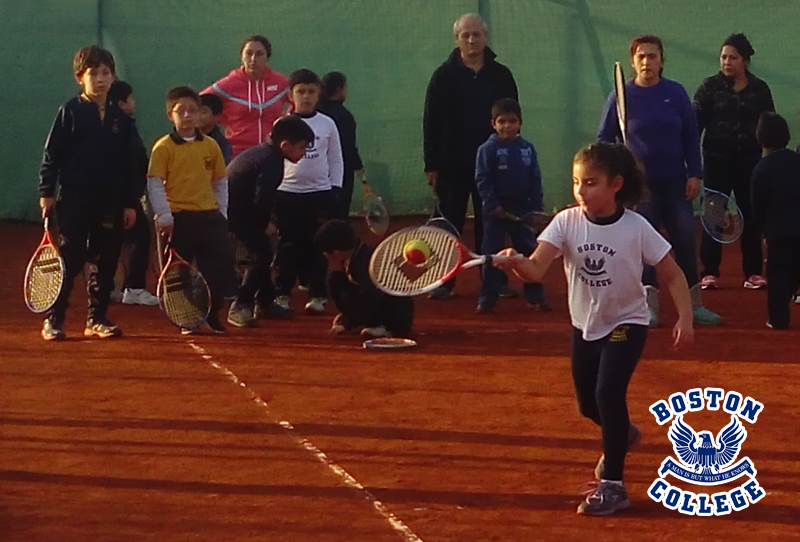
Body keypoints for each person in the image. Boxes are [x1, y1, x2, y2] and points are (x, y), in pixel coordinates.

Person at [493, 142, 694, 516]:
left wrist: (685, 316)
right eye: (575, 182)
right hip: (585, 325)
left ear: (616, 184)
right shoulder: (566, 222)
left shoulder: (637, 227)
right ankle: (623, 433)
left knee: (607, 393)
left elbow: (672, 272)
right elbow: (536, 269)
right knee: (588, 404)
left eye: (590, 183)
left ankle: (614, 485)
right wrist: (515, 264)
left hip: (628, 322)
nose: (580, 192)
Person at [598, 34, 721, 327]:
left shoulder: (676, 93)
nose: (646, 61)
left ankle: (694, 306)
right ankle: (648, 308)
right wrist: (623, 161)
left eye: (652, 56)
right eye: (641, 56)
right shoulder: (621, 96)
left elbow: (691, 136)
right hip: (640, 191)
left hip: (676, 184)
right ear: (633, 61)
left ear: (661, 61)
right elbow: (604, 140)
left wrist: (694, 174)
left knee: (684, 243)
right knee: (643, 247)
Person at [38, 46, 139, 341]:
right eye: (93, 74)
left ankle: (97, 318)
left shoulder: (121, 119)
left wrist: (130, 202)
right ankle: (54, 319)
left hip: (111, 201)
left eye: (106, 73)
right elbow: (52, 155)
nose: (101, 79)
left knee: (106, 259)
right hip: (75, 199)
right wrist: (46, 191)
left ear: (113, 77)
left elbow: (129, 164)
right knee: (70, 257)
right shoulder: (70, 111)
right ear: (80, 78)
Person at [423, 13, 518, 300]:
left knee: (491, 223)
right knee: (449, 225)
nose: (471, 39)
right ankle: (443, 281)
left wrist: (509, 156)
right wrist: (432, 164)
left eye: (476, 34)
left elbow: (513, 118)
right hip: (452, 165)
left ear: (485, 37)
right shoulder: (442, 76)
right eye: (465, 35)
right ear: (457, 39)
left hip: (492, 165)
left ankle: (494, 281)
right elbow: (431, 121)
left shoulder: (501, 75)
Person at [147, 86, 235, 334]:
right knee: (180, 276)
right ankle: (189, 318)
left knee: (218, 270)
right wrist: (165, 216)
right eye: (181, 111)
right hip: (179, 220)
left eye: (193, 110)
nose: (187, 115)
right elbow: (154, 183)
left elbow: (220, 181)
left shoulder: (211, 146)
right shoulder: (163, 147)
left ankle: (212, 314)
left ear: (200, 115)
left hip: (210, 218)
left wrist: (221, 213)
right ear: (170, 115)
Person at [694, 33, 774, 291]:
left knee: (751, 216)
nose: (727, 62)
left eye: (733, 57)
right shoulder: (709, 87)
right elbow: (695, 126)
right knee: (713, 215)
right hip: (716, 162)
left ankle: (753, 273)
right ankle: (709, 272)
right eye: (723, 57)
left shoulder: (760, 90)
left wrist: (769, 160)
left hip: (750, 163)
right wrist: (691, 161)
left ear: (745, 61)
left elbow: (769, 126)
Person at [225, 115, 315, 327]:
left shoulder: (265, 153)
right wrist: (266, 223)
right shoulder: (272, 161)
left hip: (239, 210)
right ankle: (241, 305)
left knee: (263, 251)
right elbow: (262, 198)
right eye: (302, 147)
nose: (303, 154)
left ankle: (265, 301)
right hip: (238, 213)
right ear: (285, 145)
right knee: (262, 254)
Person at [273, 69, 344, 315]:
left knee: (317, 246)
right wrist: (274, 190)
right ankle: (282, 293)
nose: (306, 96)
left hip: (320, 193)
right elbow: (274, 160)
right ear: (291, 95)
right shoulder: (281, 124)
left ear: (319, 94)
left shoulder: (328, 124)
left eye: (311, 91)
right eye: (300, 91)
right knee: (287, 245)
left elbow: (336, 158)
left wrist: (335, 188)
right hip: (287, 194)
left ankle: (317, 295)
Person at [475, 98, 549, 314]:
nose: (507, 126)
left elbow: (535, 179)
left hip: (523, 210)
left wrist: (536, 208)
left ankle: (535, 297)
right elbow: (482, 180)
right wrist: (493, 205)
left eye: (512, 121)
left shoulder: (528, 149)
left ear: (520, 123)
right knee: (492, 255)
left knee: (528, 254)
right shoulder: (486, 149)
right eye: (502, 122)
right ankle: (488, 297)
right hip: (495, 213)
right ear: (493, 124)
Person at [107, 80, 159, 306]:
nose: (134, 103)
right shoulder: (123, 127)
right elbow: (131, 163)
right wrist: (132, 198)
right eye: (131, 99)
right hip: (123, 197)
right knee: (139, 239)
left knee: (111, 241)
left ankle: (107, 288)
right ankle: (134, 288)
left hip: (115, 196)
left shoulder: (112, 124)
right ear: (121, 102)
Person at [315, 219, 414, 338]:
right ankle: (372, 323)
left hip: (397, 313)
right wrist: (346, 315)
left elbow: (372, 299)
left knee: (350, 294)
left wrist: (348, 322)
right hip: (377, 302)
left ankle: (385, 326)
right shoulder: (355, 254)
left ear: (336, 252)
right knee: (340, 286)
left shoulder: (365, 264)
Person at [750, 112, 800, 329]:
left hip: (779, 233)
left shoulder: (761, 169)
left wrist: (763, 232)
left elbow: (757, 207)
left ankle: (778, 320)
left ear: (760, 139)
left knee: (778, 277)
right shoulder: (797, 161)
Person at [202, 35, 288, 158]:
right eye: (248, 53)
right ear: (241, 57)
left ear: (267, 58)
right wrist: (222, 120)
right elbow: (198, 105)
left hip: (271, 152)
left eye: (259, 54)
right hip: (236, 154)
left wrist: (287, 116)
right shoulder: (228, 84)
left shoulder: (280, 82)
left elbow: (298, 101)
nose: (253, 59)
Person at [319, 71, 364, 219]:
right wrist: (358, 167)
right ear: (339, 89)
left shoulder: (316, 113)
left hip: (318, 174)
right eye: (345, 87)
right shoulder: (344, 116)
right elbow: (348, 148)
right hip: (341, 176)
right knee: (339, 216)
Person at [199, 93, 233, 164]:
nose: (197, 115)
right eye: (194, 111)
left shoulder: (221, 145)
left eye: (203, 112)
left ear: (217, 117)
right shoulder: (182, 139)